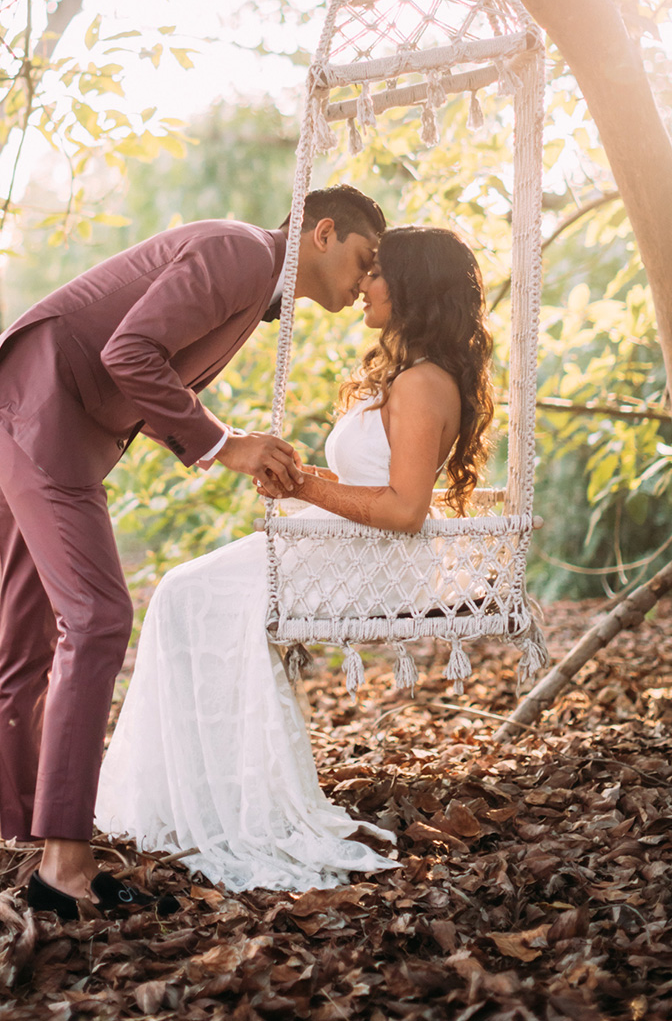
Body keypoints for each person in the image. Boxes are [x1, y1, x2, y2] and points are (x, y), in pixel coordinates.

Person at [0, 184, 383, 921]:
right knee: (97, 620)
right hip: (43, 405)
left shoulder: (251, 283)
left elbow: (146, 372)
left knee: (29, 643)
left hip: (29, 399)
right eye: (364, 258)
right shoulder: (243, 253)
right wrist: (226, 445)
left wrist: (237, 448)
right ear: (322, 233)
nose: (365, 282)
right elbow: (130, 353)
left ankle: (36, 848)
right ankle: (61, 869)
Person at [93, 224, 494, 892]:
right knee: (184, 594)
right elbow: (374, 483)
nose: (364, 284)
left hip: (372, 561)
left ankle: (235, 801)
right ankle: (206, 793)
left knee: (186, 595)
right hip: (337, 545)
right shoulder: (406, 374)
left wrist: (305, 485)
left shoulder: (425, 384)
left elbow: (403, 510)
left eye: (378, 271)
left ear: (415, 285)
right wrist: (298, 474)